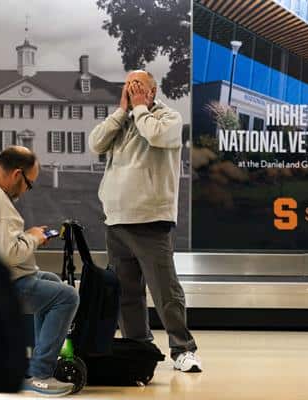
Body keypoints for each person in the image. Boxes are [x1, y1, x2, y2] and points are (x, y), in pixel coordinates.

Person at [89, 70, 201, 372]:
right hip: (116, 219)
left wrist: (139, 107)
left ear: (153, 91)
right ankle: (138, 347)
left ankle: (183, 350)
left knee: (165, 290)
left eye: (139, 87)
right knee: (126, 292)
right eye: (128, 87)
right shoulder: (122, 120)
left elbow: (155, 135)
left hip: (151, 219)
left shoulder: (169, 119)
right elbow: (96, 143)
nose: (133, 91)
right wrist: (122, 110)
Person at [0, 146, 78, 397]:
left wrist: (27, 237)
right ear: (17, 174)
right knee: (67, 297)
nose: (26, 191)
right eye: (29, 184)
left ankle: (33, 363)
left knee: (52, 282)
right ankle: (40, 374)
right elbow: (7, 254)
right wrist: (32, 238)